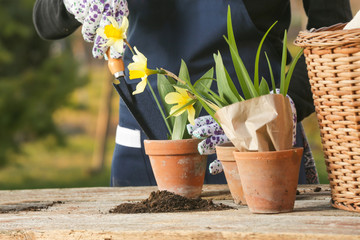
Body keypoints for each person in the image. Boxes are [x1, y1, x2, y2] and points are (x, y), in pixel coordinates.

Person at [33, 0, 352, 186]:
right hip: (144, 156)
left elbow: (336, 32)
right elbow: (45, 21)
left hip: (261, 152)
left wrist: (282, 106)